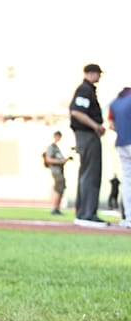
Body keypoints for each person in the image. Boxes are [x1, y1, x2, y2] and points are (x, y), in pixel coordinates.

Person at [69, 63, 107, 226]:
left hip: (85, 135)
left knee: (87, 173)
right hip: (87, 134)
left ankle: (84, 212)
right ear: (91, 73)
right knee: (91, 173)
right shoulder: (85, 90)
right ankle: (87, 213)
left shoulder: (87, 90)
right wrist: (96, 126)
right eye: (98, 74)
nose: (99, 77)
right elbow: (77, 112)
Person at [108, 86, 131, 227]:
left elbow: (111, 125)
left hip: (121, 143)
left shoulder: (114, 103)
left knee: (127, 181)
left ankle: (129, 218)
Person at [43, 130, 72, 216]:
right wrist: (60, 161)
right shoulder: (51, 147)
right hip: (56, 171)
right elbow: (48, 159)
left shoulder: (57, 147)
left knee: (61, 189)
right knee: (58, 188)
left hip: (60, 170)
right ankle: (55, 208)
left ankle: (57, 208)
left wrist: (66, 160)